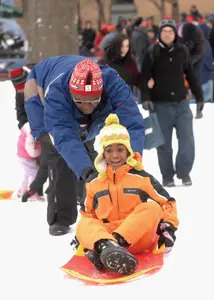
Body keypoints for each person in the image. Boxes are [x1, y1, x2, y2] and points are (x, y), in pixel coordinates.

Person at [24, 56, 145, 236]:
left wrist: (133, 159)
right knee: (60, 155)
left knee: (89, 149)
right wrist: (84, 169)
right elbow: (64, 137)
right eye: (80, 101)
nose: (85, 106)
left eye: (91, 101)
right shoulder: (56, 93)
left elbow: (133, 125)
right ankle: (61, 217)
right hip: (39, 92)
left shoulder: (114, 85)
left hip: (96, 111)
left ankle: (91, 196)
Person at [75, 114, 179, 276]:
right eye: (109, 150)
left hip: (137, 237)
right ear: (102, 153)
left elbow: (167, 203)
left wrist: (168, 229)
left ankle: (111, 249)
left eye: (120, 149)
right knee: (83, 223)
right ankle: (106, 247)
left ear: (128, 150)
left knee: (151, 208)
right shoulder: (93, 183)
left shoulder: (142, 178)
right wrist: (88, 236)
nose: (115, 155)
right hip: (106, 236)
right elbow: (88, 214)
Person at [141, 19, 204, 187]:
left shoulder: (182, 51)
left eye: (171, 31)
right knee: (164, 144)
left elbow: (191, 76)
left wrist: (199, 98)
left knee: (187, 141)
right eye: (164, 31)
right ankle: (167, 176)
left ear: (175, 34)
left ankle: (184, 173)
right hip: (160, 106)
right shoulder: (152, 52)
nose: (168, 34)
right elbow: (145, 77)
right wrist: (146, 98)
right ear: (159, 34)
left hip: (182, 104)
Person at [9, 66, 48, 202]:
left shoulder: (38, 84)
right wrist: (26, 127)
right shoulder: (19, 91)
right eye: (17, 89)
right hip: (31, 132)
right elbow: (20, 112)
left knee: (41, 164)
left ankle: (33, 190)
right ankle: (35, 191)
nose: (20, 91)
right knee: (34, 168)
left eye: (22, 88)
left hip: (43, 128)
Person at [17, 122, 44, 200]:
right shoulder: (31, 130)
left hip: (23, 155)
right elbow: (31, 147)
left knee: (27, 174)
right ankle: (31, 193)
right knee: (34, 174)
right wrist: (38, 153)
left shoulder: (29, 126)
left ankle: (23, 190)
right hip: (27, 157)